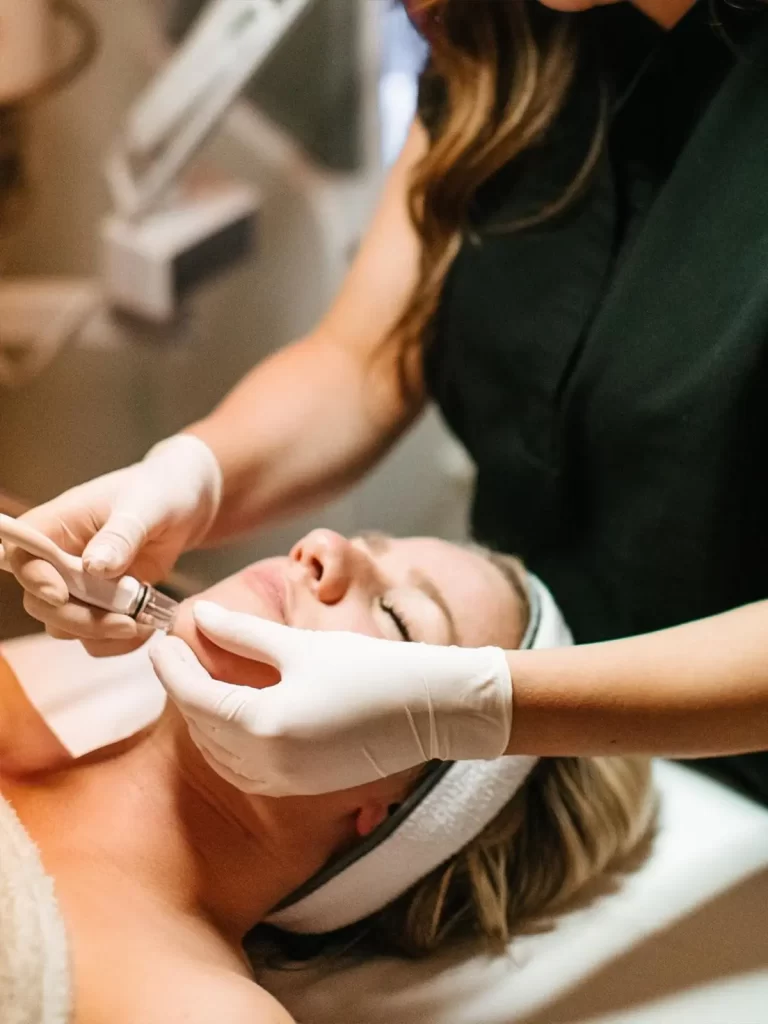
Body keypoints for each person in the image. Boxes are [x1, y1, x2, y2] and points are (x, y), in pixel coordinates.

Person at [5, 0, 768, 800]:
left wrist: (478, 708)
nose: (323, 550)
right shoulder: (511, 33)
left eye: (403, 618)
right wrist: (194, 477)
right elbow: (365, 356)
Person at [0, 530, 654, 1023]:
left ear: (392, 811)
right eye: (366, 540)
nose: (324, 545)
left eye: (399, 616)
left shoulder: (194, 1006)